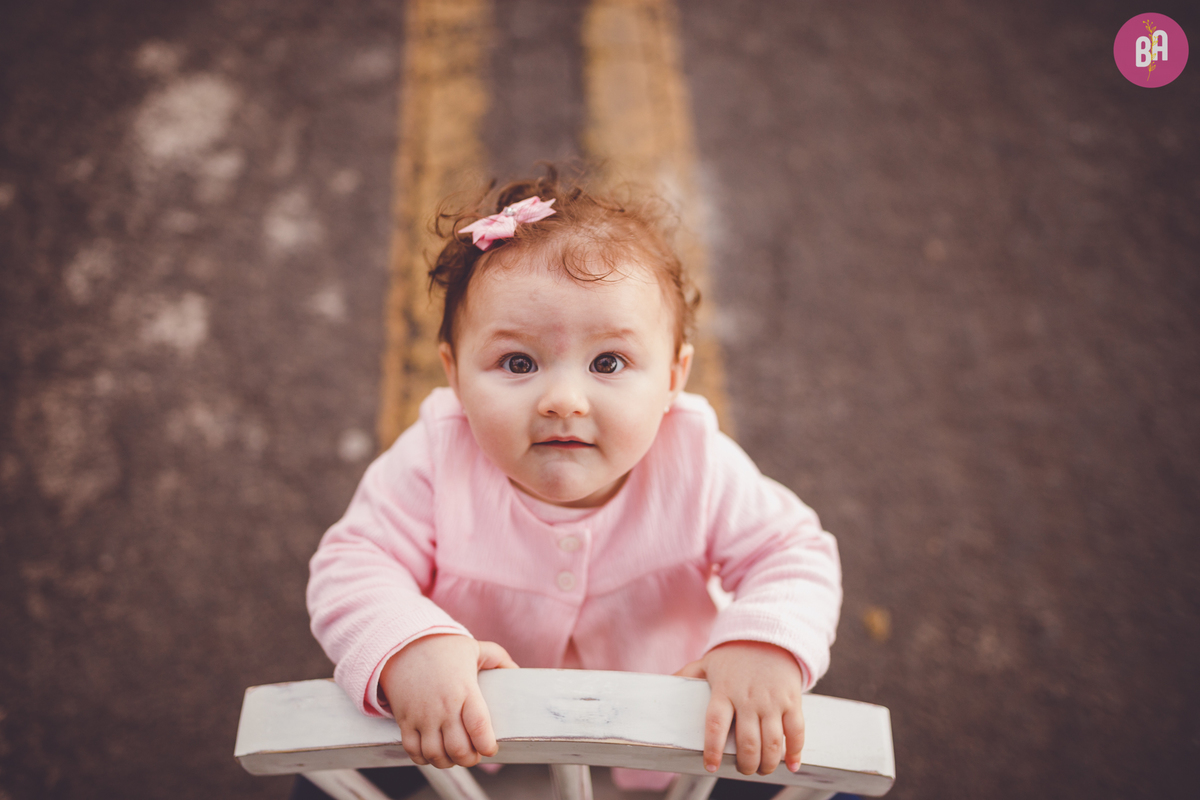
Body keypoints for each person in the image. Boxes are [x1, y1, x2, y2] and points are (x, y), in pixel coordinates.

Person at [300, 168, 842, 799]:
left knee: (798, 764)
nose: (562, 399)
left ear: (673, 377)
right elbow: (354, 560)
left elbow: (791, 550)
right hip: (468, 723)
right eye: (518, 362)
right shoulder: (437, 453)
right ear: (454, 374)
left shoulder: (694, 459)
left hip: (677, 730)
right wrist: (405, 643)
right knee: (328, 776)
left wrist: (761, 642)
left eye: (608, 362)